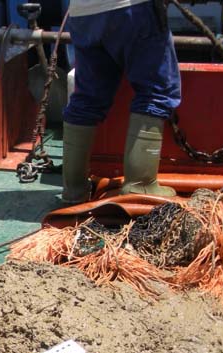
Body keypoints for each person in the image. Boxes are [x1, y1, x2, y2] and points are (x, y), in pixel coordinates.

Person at [60, 0, 181, 204]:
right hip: (133, 9)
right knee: (154, 91)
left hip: (83, 13)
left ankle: (74, 189)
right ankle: (140, 185)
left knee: (87, 98)